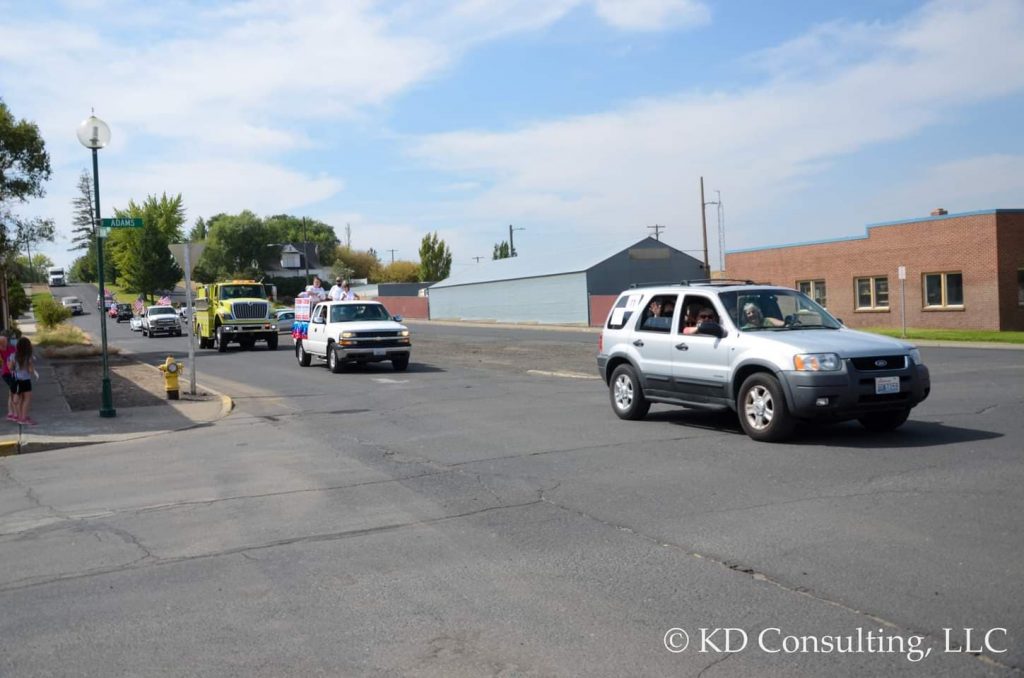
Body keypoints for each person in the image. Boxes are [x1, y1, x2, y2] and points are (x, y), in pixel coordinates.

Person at [8, 337, 38, 426]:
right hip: (25, 381)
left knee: (19, 400)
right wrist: (31, 365)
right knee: (26, 400)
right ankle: (23, 418)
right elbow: (31, 370)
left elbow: (10, 368)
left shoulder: (13, 355)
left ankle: (20, 417)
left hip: (16, 380)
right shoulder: (28, 357)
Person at [0, 335, 16, 421]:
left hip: (14, 372)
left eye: (6, 340)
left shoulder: (12, 348)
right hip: (6, 373)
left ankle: (11, 412)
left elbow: (17, 356)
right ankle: (12, 412)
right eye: (4, 341)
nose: (6, 342)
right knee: (13, 392)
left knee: (12, 392)